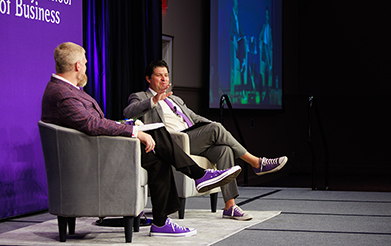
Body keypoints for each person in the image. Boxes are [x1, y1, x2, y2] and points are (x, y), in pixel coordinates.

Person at [41, 42, 242, 237]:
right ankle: (199, 176)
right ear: (77, 66)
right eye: (84, 63)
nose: (85, 67)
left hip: (101, 149)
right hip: (93, 157)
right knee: (156, 135)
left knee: (157, 153)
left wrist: (128, 127)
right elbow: (92, 125)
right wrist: (134, 132)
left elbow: (93, 123)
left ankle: (162, 222)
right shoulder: (63, 94)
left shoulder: (67, 90)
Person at [123, 60, 288, 221]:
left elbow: (194, 118)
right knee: (216, 128)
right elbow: (128, 112)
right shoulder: (140, 97)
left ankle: (230, 206)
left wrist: (213, 129)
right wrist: (154, 100)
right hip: (174, 142)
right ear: (148, 78)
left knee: (225, 149)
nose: (164, 79)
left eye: (166, 75)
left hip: (193, 137)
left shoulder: (175, 99)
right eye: (159, 76)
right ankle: (256, 163)